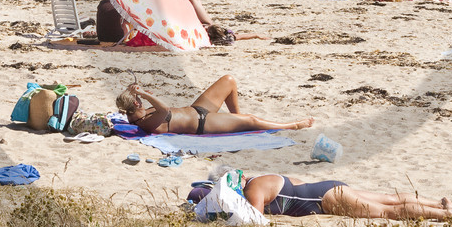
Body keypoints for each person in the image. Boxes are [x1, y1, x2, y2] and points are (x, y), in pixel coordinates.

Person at [191, 175, 452, 221]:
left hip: (325, 200)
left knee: (387, 212)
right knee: (389, 199)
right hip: (328, 188)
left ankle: (446, 215)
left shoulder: (253, 190)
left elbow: (254, 218)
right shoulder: (263, 178)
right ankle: (439, 203)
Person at [115, 76, 313, 135]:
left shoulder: (137, 113)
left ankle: (238, 120)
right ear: (135, 102)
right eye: (138, 98)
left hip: (197, 109)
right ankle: (293, 125)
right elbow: (165, 109)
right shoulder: (144, 122)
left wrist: (137, 94)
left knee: (229, 81)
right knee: (253, 120)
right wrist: (142, 94)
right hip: (204, 123)